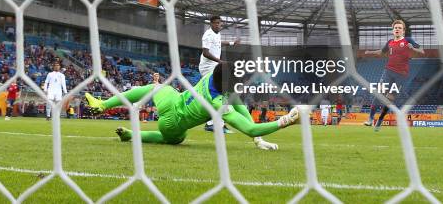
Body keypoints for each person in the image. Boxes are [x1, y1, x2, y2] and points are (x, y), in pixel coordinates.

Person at [85, 68, 298, 150]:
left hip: (172, 100)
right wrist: (285, 121)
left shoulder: (210, 77)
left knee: (154, 88)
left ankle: (102, 104)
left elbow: (238, 103)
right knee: (174, 140)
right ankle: (133, 135)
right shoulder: (217, 104)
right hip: (172, 123)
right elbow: (249, 128)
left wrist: (258, 140)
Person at [364, 20, 424, 131]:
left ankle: (380, 121)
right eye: (395, 28)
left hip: (401, 75)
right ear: (393, 30)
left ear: (403, 31)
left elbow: (422, 51)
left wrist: (413, 48)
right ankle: (370, 118)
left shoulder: (408, 40)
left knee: (389, 99)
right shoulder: (390, 42)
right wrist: (370, 52)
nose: (397, 29)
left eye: (399, 28)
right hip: (388, 72)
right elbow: (381, 52)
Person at [198, 15, 239, 133]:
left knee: (221, 92)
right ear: (211, 24)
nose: (218, 25)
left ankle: (216, 123)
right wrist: (220, 61)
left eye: (219, 23)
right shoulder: (208, 35)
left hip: (214, 66)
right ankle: (213, 123)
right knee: (217, 93)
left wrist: (232, 43)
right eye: (215, 23)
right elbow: (205, 53)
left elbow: (219, 43)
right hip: (207, 67)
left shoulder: (217, 34)